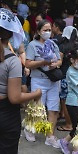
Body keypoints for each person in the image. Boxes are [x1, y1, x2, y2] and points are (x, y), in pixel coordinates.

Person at [0, 8, 41, 154]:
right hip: (6, 115)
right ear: (11, 34)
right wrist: (35, 94)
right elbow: (15, 97)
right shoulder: (12, 61)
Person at [25, 19, 62, 148]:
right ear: (39, 32)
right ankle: (29, 129)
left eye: (49, 30)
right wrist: (43, 62)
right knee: (37, 109)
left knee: (53, 109)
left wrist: (54, 64)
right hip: (38, 80)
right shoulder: (32, 45)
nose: (47, 32)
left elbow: (60, 61)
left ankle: (50, 136)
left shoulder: (53, 44)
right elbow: (28, 63)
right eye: (45, 30)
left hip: (53, 81)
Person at [57, 26, 78, 132]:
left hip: (64, 76)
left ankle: (68, 124)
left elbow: (59, 62)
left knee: (65, 101)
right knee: (74, 101)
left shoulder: (62, 46)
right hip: (76, 77)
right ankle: (75, 122)